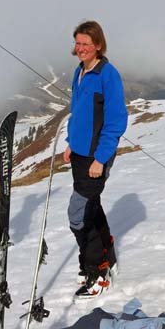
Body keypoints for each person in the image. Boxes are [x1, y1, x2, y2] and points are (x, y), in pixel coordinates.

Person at [63, 20, 128, 297]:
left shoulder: (107, 75)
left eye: (86, 44)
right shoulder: (80, 72)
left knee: (78, 215)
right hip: (79, 154)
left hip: (95, 157)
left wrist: (100, 159)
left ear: (98, 45)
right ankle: (107, 258)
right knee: (93, 207)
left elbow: (116, 121)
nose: (80, 49)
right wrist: (69, 142)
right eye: (77, 43)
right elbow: (77, 112)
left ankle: (97, 271)